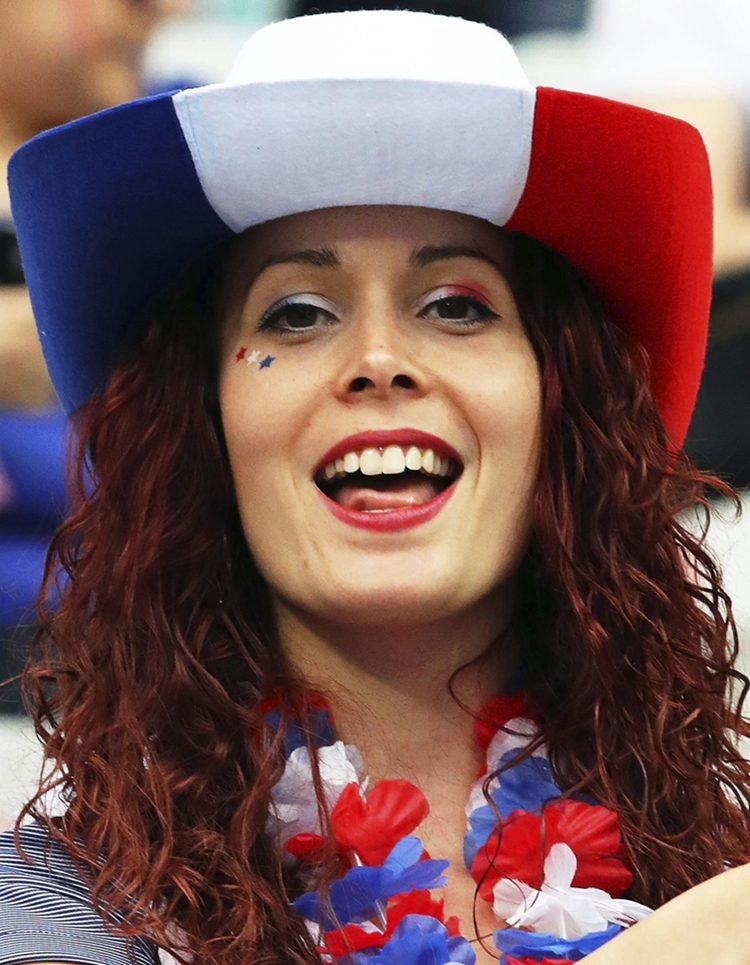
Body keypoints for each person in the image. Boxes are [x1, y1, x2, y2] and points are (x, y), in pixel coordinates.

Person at [1, 10, 749, 965]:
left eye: (457, 306)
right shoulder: (40, 920)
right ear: (206, 426)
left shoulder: (725, 888)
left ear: (561, 408)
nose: (381, 360)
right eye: (299, 313)